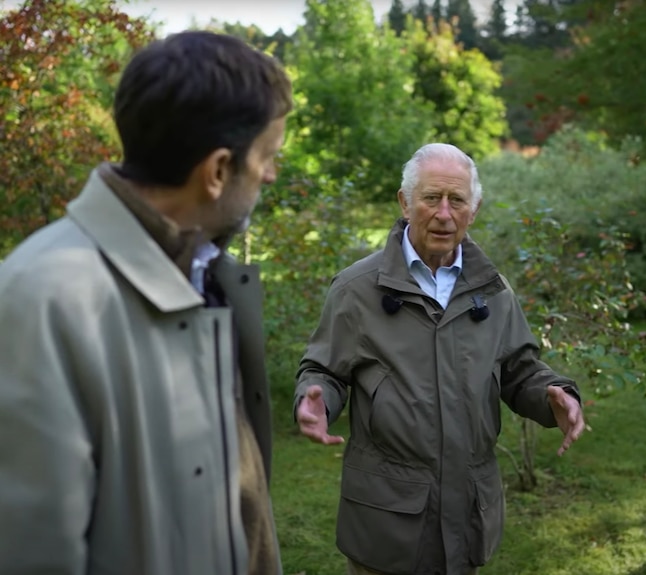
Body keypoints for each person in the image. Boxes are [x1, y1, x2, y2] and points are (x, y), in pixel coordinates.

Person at [0, 31, 292, 575]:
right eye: (268, 157)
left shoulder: (203, 274)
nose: (272, 174)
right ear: (218, 171)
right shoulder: (42, 298)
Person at [294, 143, 587, 575]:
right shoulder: (356, 290)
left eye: (458, 200)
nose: (444, 214)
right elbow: (324, 371)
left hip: (467, 512)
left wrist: (551, 394)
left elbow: (519, 369)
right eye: (432, 198)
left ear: (476, 208)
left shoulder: (493, 290)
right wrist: (315, 400)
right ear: (405, 202)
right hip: (387, 518)